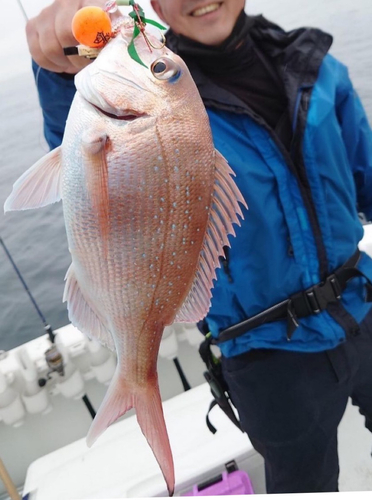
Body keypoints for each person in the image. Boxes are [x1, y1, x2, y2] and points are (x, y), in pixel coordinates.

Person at [26, 0, 372, 493]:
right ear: (155, 5)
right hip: (268, 356)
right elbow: (84, 159)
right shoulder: (154, 86)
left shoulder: (316, 64)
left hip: (364, 300)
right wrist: (62, 64)